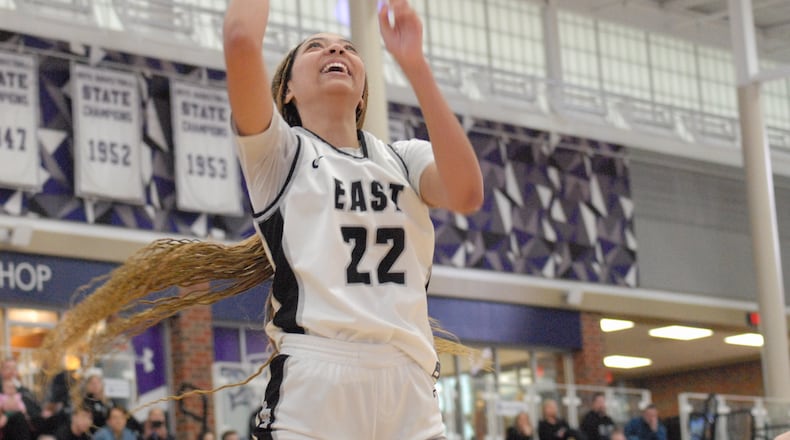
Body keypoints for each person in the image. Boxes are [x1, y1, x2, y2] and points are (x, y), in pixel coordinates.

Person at [224, 0, 483, 438]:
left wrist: (414, 64)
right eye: (316, 48)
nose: (336, 51)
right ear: (287, 90)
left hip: (410, 382)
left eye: (348, 47)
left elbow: (468, 193)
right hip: (317, 381)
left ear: (363, 91)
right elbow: (241, 40)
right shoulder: (278, 154)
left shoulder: (404, 157)